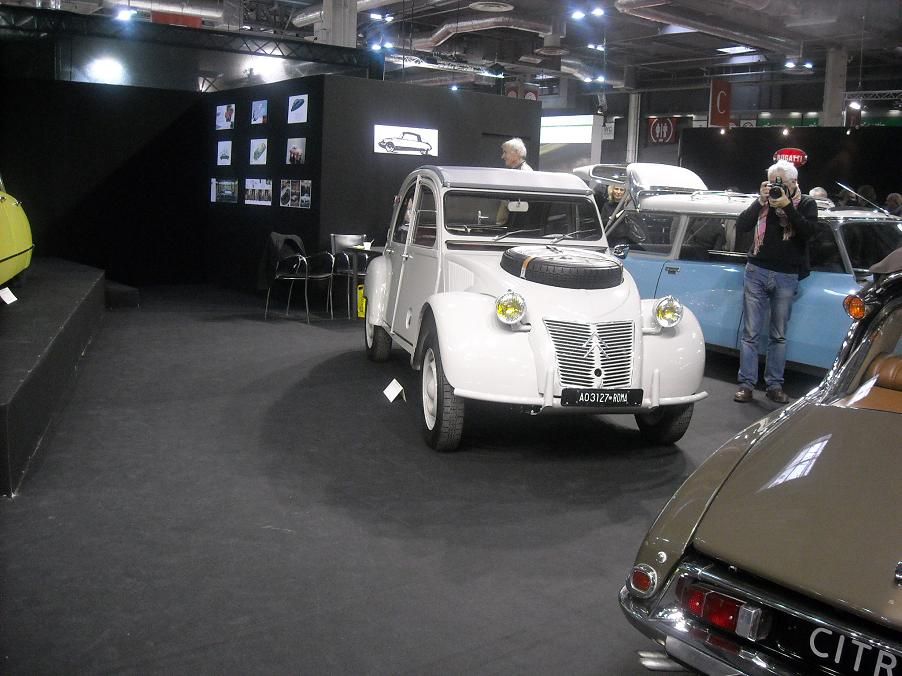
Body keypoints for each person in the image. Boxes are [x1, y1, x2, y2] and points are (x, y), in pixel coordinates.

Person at [733, 159, 816, 404]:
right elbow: (742, 225)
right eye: (772, 182)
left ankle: (774, 385)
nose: (776, 187)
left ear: (794, 182)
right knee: (750, 333)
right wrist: (760, 201)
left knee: (778, 335)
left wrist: (788, 207)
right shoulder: (764, 202)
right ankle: (746, 385)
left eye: (781, 182)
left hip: (787, 274)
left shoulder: (807, 203)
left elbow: (809, 232)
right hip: (757, 270)